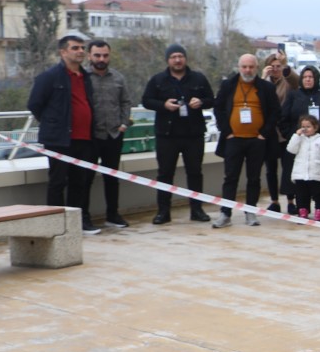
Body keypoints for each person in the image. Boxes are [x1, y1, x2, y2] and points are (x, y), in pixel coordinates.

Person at [26, 32, 100, 236]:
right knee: (58, 182)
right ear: (63, 52)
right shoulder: (49, 77)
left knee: (79, 183)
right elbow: (35, 104)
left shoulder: (86, 77)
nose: (80, 51)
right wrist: (54, 124)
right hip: (59, 140)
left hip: (84, 139)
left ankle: (76, 224)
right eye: (75, 48)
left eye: (82, 48)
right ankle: (56, 225)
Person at [141, 43, 215, 224]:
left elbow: (211, 100)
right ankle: (163, 212)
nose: (177, 60)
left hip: (193, 134)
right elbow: (146, 100)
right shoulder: (158, 80)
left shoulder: (198, 78)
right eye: (173, 57)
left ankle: (196, 210)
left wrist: (201, 102)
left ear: (185, 59)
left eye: (180, 56)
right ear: (168, 60)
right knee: (165, 174)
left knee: (195, 173)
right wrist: (163, 105)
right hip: (167, 135)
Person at [211, 54, 281, 227]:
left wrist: (264, 133)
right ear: (239, 67)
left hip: (257, 140)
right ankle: (225, 213)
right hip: (233, 139)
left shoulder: (266, 87)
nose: (247, 70)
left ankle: (250, 212)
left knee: (254, 178)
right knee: (230, 178)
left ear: (256, 68)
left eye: (251, 67)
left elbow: (275, 111)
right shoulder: (228, 85)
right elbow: (218, 108)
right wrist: (227, 131)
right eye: (244, 67)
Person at [85, 39, 132, 229]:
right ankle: (84, 218)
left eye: (105, 55)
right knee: (85, 178)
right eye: (97, 55)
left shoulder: (118, 78)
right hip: (91, 137)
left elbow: (126, 102)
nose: (101, 59)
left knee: (112, 177)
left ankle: (113, 215)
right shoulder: (83, 78)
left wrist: (123, 123)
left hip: (113, 135)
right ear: (89, 56)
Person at [262, 49, 300, 214]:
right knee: (270, 169)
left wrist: (286, 66)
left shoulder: (287, 81)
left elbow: (297, 81)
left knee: (288, 168)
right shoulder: (264, 83)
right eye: (273, 66)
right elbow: (257, 95)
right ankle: (274, 201)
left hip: (285, 132)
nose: (276, 69)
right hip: (269, 132)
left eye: (278, 66)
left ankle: (291, 201)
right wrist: (263, 77)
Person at [285, 115, 320, 220]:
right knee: (301, 195)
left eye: (308, 126)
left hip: (316, 174)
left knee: (318, 194)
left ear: (315, 127)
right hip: (300, 174)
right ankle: (302, 210)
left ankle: (319, 211)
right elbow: (291, 149)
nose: (305, 129)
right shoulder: (299, 139)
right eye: (303, 127)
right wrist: (296, 136)